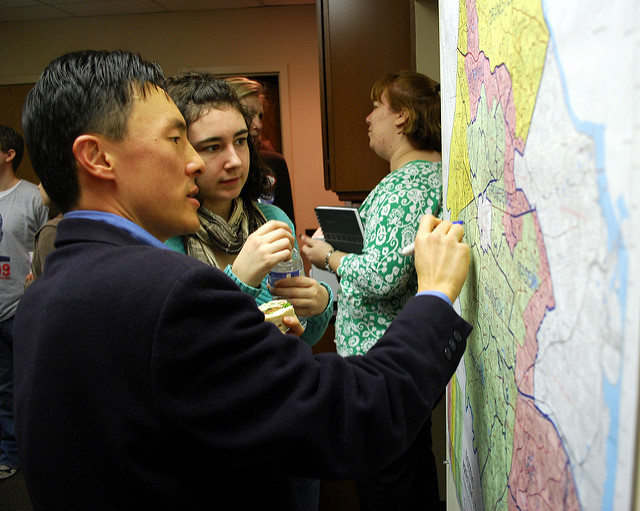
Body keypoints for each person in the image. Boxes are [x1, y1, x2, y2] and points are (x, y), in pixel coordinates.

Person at [14, 50, 471, 511]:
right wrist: (433, 295)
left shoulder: (45, 291)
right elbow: (353, 418)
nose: (196, 163)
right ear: (97, 157)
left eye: (240, 141)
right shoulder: (171, 292)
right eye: (177, 140)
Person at [300, 71, 446, 510]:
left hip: (379, 367)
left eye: (376, 107)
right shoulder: (431, 175)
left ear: (401, 117)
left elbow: (384, 277)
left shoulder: (406, 185)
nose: (368, 118)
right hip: (404, 363)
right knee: (412, 478)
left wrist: (328, 256)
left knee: (387, 491)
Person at [164, 72, 332, 349]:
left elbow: (304, 335)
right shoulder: (167, 234)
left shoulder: (272, 220)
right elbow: (183, 345)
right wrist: (240, 279)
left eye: (241, 141)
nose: (234, 161)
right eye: (213, 147)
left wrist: (319, 304)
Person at [0, 125, 47, 480]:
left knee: (30, 387)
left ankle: (33, 457)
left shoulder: (32, 196)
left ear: (9, 154)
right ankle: (9, 453)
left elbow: (49, 244)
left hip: (21, 308)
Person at [225, 76, 297, 227]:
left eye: (260, 116)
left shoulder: (274, 164)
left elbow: (289, 230)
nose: (258, 124)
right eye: (249, 115)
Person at [24, 183, 63, 287]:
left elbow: (51, 288)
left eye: (42, 181)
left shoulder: (51, 232)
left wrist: (31, 287)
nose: (38, 186)